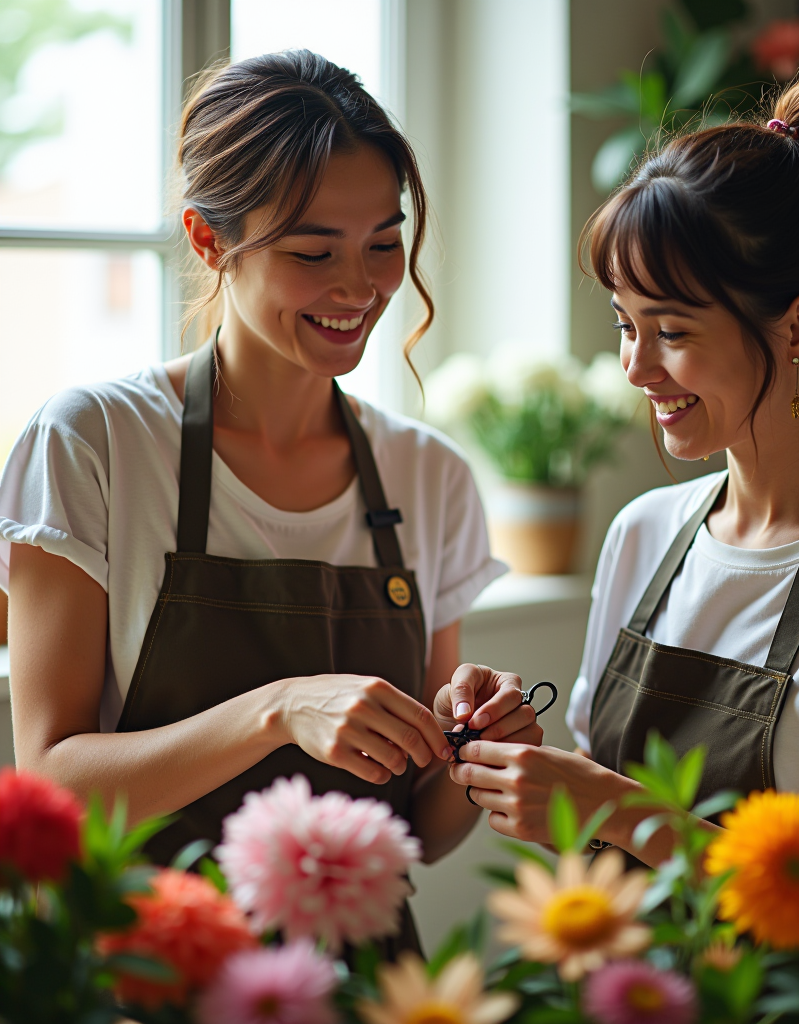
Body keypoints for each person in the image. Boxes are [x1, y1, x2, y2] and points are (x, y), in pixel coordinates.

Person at [446, 71, 799, 1020]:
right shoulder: (645, 537)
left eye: (670, 330)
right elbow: (617, 844)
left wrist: (612, 807)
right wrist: (527, 764)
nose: (634, 366)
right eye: (627, 325)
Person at [0, 51, 539, 936]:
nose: (360, 288)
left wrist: (479, 750)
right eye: (312, 250)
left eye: (383, 243)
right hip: (146, 972)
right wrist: (278, 711)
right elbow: (54, 786)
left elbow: (423, 831)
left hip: (359, 974)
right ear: (208, 240)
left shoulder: (426, 475)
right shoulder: (93, 442)